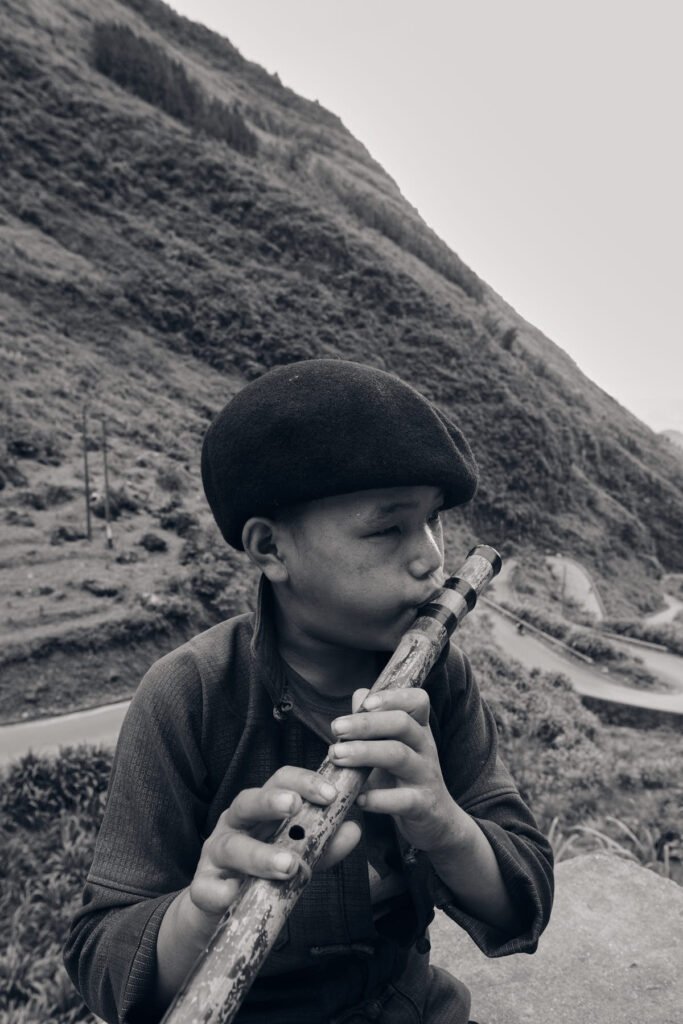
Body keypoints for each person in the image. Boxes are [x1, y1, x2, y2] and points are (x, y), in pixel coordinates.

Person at [64, 359, 554, 1024]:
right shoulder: (188, 694)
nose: (431, 558)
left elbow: (522, 898)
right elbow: (101, 960)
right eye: (388, 528)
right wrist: (201, 908)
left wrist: (443, 824)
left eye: (433, 521)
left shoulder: (440, 677)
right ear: (270, 549)